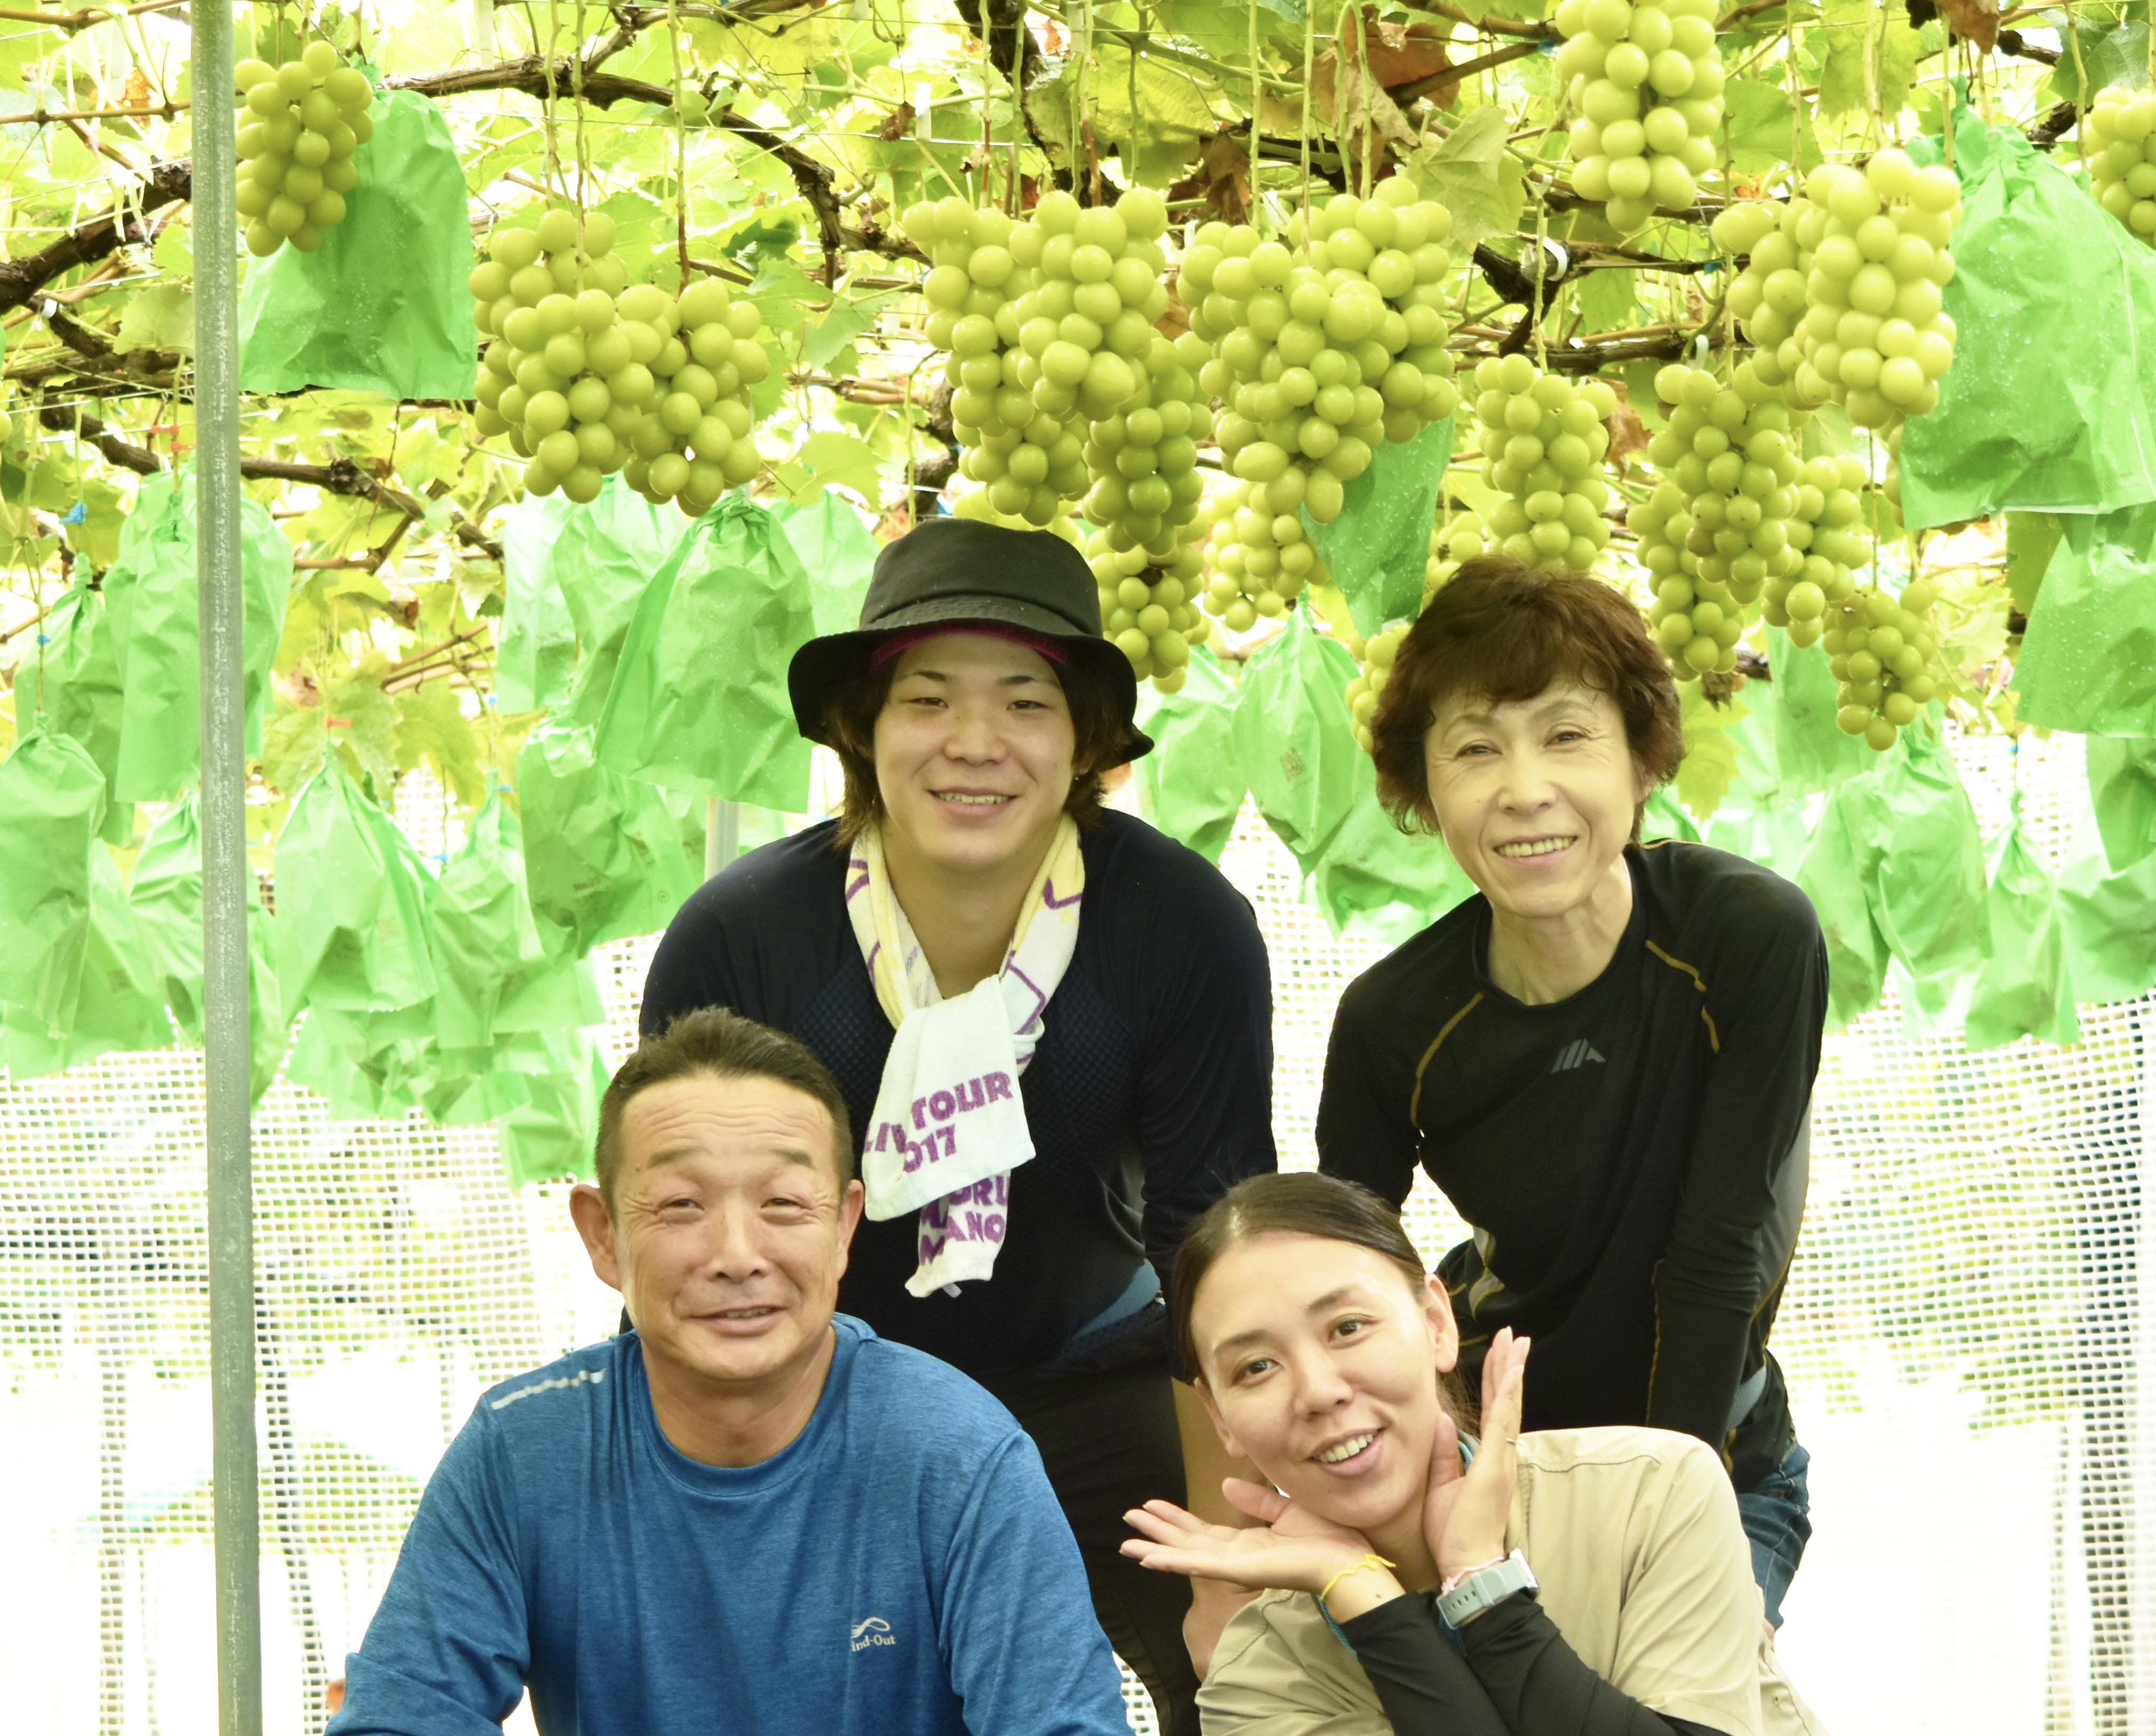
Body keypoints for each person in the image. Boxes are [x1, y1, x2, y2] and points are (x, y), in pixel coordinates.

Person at [641, 515, 1280, 1732]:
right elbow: (689, 1235)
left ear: (1085, 740)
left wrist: (1218, 1560)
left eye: (1026, 704)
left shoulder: (1180, 924)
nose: (974, 745)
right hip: (828, 1403)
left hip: (1104, 1384)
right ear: (863, 732)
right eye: (928, 700)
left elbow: (1214, 1244)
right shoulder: (744, 938)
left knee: (1245, 1679)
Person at [326, 1008, 1133, 1736]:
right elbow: (396, 1719)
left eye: (783, 1203)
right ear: (603, 1236)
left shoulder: (960, 1454)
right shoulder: (521, 1451)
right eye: (681, 1205)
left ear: (844, 1225)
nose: (738, 1256)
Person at [1313, 560, 1827, 1631]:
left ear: (1640, 759)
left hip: (1715, 1464)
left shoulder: (1743, 936)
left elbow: (1720, 1244)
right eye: (1473, 749)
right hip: (1498, 1471)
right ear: (1425, 790)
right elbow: (1340, 1282)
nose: (1522, 788)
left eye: (1565, 735)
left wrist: (1662, 1515)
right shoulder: (1391, 1022)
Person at [1122, 1171, 1827, 1735]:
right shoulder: (1254, 1676)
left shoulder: (1649, 1490)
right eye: (1255, 1367)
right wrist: (1360, 1589)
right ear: (1219, 1418)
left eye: (1346, 1326)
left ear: (1434, 1322)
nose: (1317, 1390)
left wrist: (1480, 1586)